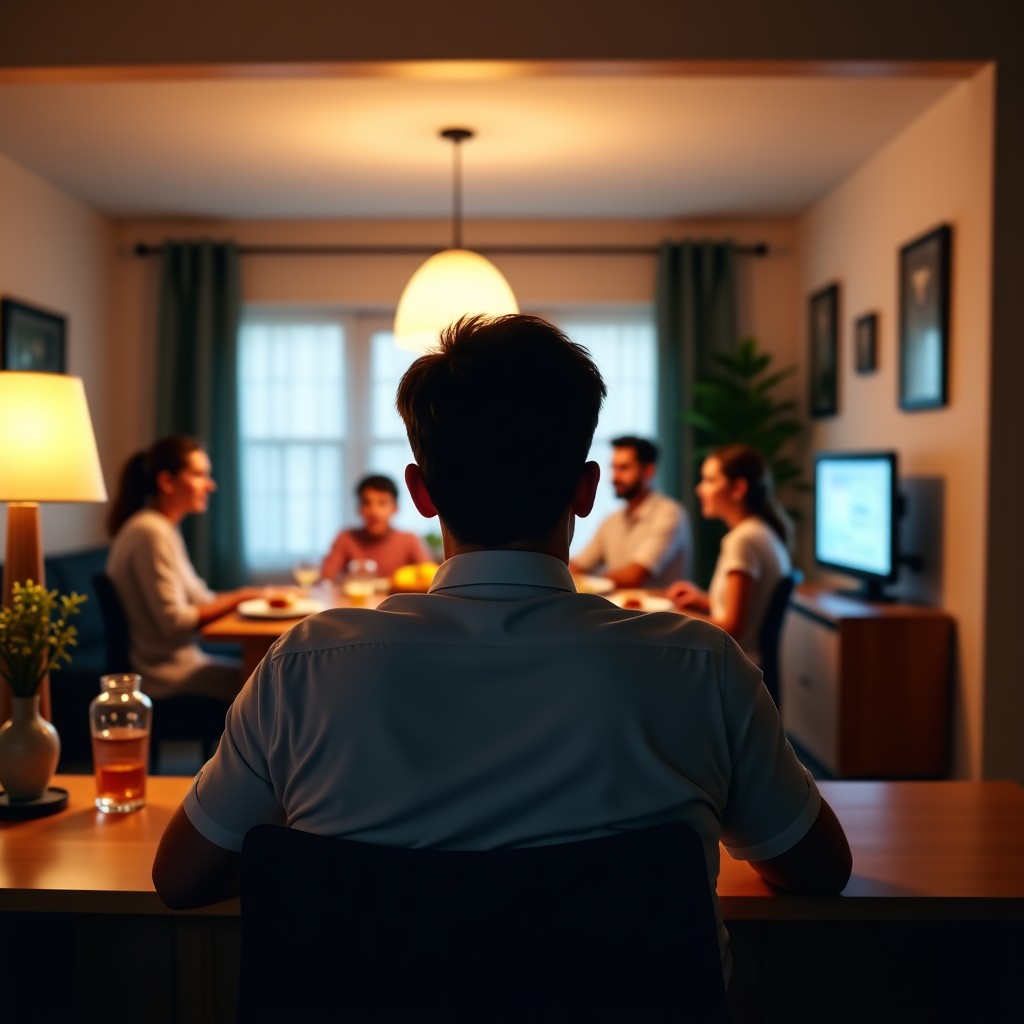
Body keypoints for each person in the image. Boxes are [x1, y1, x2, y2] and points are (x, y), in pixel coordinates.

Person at [153, 315, 851, 985]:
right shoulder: (703, 668)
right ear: (585, 491)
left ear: (420, 495)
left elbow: (181, 878)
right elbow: (818, 869)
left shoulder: (302, 667)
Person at [105, 436, 262, 703]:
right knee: (275, 685)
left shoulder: (162, 529)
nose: (210, 485)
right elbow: (175, 622)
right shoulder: (150, 532)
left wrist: (252, 593)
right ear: (167, 482)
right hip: (164, 675)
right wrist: (242, 597)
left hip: (183, 663)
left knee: (272, 677)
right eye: (199, 474)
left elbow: (203, 599)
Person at [666, 444, 793, 666]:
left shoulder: (743, 541)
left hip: (734, 668)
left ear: (738, 489)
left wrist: (674, 615)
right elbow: (747, 610)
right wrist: (702, 600)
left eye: (709, 480)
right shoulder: (760, 531)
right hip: (744, 665)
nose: (699, 489)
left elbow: (732, 628)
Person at [568, 436, 692, 588]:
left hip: (661, 611)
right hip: (622, 609)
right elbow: (579, 565)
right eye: (614, 467)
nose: (615, 477)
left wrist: (587, 577)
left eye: (624, 468)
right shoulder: (611, 520)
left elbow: (635, 576)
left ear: (648, 471)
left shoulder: (669, 514)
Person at [319, 473, 431, 581]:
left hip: (399, 601)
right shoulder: (346, 537)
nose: (374, 512)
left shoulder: (409, 539)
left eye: (382, 503)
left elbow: (431, 578)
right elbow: (326, 577)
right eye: (366, 503)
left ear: (395, 508)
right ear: (358, 509)